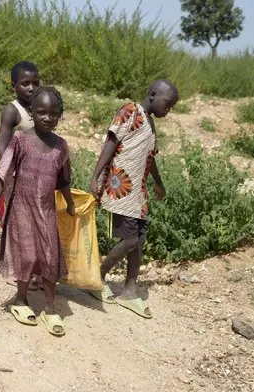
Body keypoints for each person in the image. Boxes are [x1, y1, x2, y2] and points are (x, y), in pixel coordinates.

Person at [0, 86, 75, 337]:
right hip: (21, 208)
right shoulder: (20, 140)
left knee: (49, 256)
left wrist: (69, 202)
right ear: (32, 113)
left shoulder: (61, 147)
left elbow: (64, 179)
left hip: (46, 210)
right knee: (26, 254)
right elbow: (3, 172)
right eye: (41, 112)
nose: (48, 117)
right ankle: (21, 300)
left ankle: (49, 307)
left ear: (61, 115)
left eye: (54, 113)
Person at [87, 79, 178, 319]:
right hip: (121, 189)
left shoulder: (150, 123)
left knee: (139, 240)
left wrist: (158, 183)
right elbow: (110, 144)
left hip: (138, 192)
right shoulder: (130, 112)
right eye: (167, 104)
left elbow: (150, 157)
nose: (168, 110)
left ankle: (129, 290)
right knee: (129, 240)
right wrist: (95, 177)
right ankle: (99, 273)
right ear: (152, 95)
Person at [0, 61, 44, 290]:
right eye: (25, 83)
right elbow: (1, 147)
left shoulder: (42, 108)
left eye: (35, 83)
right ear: (14, 85)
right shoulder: (13, 111)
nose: (31, 88)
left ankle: (34, 271)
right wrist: (11, 177)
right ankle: (16, 271)